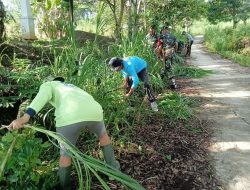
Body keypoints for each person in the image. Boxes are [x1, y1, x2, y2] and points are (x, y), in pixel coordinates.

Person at [7, 77, 120, 190]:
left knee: (66, 153)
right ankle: (113, 172)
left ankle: (64, 187)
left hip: (69, 115)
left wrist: (24, 118)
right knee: (103, 135)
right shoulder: (71, 86)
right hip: (94, 110)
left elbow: (40, 98)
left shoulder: (49, 84)